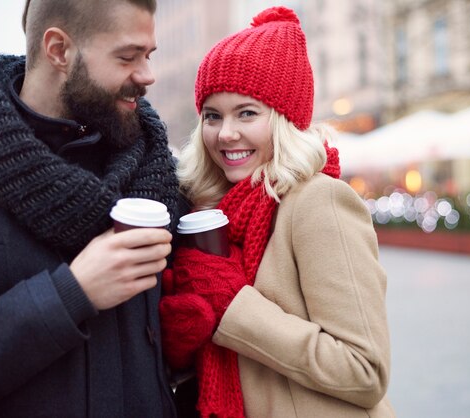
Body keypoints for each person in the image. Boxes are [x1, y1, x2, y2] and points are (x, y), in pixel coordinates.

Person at [0, 0, 183, 416]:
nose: (148, 75)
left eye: (149, 55)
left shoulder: (156, 172)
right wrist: (72, 293)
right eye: (128, 57)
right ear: (58, 50)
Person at [159, 6, 395, 418]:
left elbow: (365, 370)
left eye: (247, 113)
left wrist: (232, 306)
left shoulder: (319, 202)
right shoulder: (210, 211)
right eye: (212, 116)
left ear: (285, 119)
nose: (226, 132)